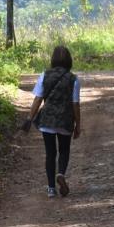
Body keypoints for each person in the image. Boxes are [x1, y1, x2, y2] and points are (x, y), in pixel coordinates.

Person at [24, 45, 82, 197]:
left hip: (47, 121)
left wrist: (29, 118)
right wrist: (78, 125)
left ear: (53, 59)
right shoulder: (74, 79)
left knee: (50, 154)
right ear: (69, 60)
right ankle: (61, 173)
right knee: (64, 150)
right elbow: (75, 104)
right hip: (65, 120)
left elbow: (38, 99)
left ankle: (51, 188)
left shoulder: (44, 75)